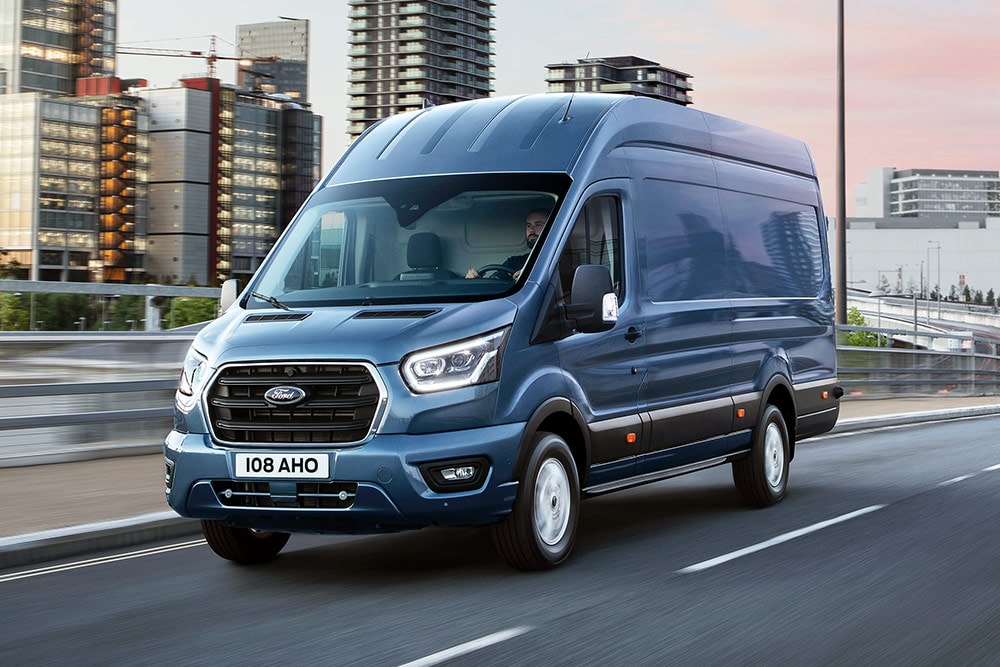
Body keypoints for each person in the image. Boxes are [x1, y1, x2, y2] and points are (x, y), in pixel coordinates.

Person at [466, 208, 549, 280]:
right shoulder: (514, 262)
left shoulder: (555, 262)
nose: (531, 230)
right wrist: (473, 279)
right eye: (528, 225)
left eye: (538, 225)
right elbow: (494, 282)